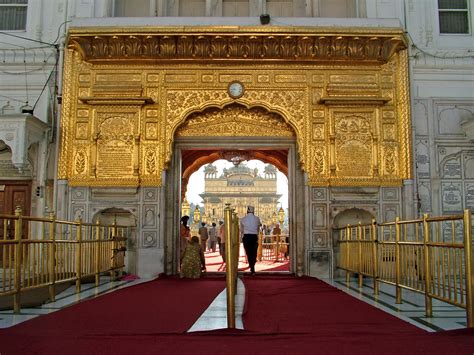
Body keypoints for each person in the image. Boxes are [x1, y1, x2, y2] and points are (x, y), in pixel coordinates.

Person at [240, 206, 261, 275]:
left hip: (246, 237)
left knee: (248, 252)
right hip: (254, 237)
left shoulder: (243, 219)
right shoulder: (257, 219)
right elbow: (258, 229)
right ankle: (253, 265)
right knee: (254, 252)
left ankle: (252, 266)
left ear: (247, 211)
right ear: (253, 211)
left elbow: (241, 230)